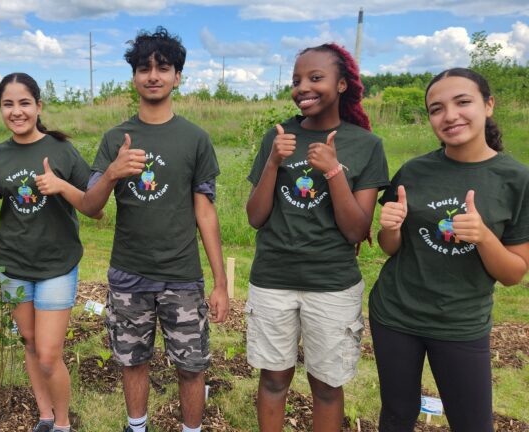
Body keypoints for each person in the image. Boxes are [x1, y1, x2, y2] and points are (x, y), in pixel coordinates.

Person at [79, 27, 229, 432]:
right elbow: (91, 207)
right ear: (133, 77)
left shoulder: (195, 139)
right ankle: (137, 425)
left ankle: (192, 429)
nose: (153, 75)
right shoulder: (115, 139)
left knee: (191, 366)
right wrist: (111, 172)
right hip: (128, 275)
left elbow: (205, 212)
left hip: (182, 276)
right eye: (144, 68)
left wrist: (219, 282)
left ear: (177, 76)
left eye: (163, 68)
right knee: (133, 361)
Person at [371, 67, 529, 431]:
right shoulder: (414, 170)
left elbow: (513, 274)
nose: (450, 115)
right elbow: (389, 248)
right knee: (396, 415)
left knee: (472, 423)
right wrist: (390, 228)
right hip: (395, 314)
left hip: (461, 323)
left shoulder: (515, 180)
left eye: (462, 102)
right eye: (436, 108)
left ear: (488, 105)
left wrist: (484, 236)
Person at [245, 43, 389, 431]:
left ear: (342, 84)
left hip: (331, 284)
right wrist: (274, 162)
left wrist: (333, 171)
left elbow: (357, 230)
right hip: (273, 280)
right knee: (273, 379)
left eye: (315, 78)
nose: (302, 87)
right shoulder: (277, 137)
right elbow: (255, 217)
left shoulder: (366, 145)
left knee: (326, 386)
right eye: (296, 80)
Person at [0, 72, 100, 432]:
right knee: (28, 342)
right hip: (12, 265)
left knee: (48, 354)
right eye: (8, 104)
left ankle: (62, 423)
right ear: (0, 109)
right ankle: (44, 415)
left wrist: (60, 186)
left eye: (24, 103)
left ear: (38, 106)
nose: (16, 111)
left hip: (56, 266)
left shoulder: (61, 151)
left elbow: (95, 207)